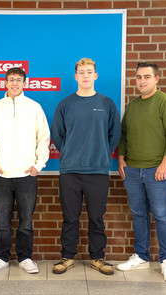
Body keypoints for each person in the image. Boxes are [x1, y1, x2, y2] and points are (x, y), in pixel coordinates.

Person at [51, 58, 121, 275]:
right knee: (70, 216)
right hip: (70, 170)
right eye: (81, 72)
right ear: (76, 76)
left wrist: (100, 154)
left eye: (89, 72)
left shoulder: (107, 104)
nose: (85, 76)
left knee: (96, 217)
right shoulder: (65, 104)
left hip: (98, 170)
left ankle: (98, 257)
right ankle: (67, 256)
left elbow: (115, 135)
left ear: (95, 75)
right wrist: (71, 154)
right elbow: (57, 135)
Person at [117, 62, 166, 282]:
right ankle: (141, 256)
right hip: (133, 171)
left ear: (157, 78)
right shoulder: (133, 105)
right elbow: (124, 135)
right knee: (138, 214)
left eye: (147, 77)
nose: (142, 81)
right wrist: (121, 159)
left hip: (159, 171)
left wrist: (165, 164)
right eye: (138, 77)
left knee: (162, 216)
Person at [0, 67, 50, 274]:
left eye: (19, 80)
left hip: (27, 176)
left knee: (26, 221)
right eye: (11, 80)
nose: (15, 83)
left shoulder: (34, 107)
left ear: (25, 83)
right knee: (2, 221)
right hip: (2, 175)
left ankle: (25, 257)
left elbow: (44, 139)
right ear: (5, 82)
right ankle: (1, 256)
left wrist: (38, 166)